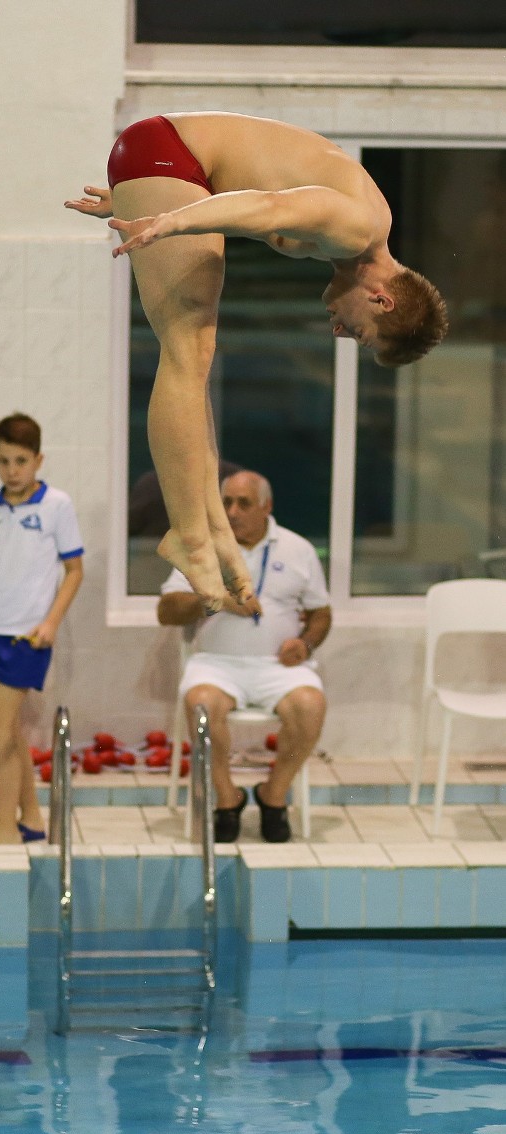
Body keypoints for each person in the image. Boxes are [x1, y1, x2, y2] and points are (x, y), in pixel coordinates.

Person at [66, 111, 448, 616]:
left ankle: (213, 529)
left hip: (173, 168)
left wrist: (152, 196)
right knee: (188, 349)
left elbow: (254, 178)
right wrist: (173, 218)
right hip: (173, 156)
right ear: (383, 301)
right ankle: (188, 536)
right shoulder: (358, 229)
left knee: (194, 360)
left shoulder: (354, 241)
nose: (338, 331)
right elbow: (269, 206)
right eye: (357, 333)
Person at [157, 470, 331, 843]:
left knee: (311, 705)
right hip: (217, 664)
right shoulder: (201, 547)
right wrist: (214, 598)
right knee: (202, 707)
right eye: (227, 503)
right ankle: (227, 800)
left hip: (278, 667)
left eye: (244, 503)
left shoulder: (297, 549)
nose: (233, 512)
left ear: (267, 506)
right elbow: (166, 611)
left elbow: (321, 615)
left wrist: (305, 644)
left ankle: (272, 795)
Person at [0, 413, 84, 845]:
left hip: (29, 634)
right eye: (3, 461)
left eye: (20, 461)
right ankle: (31, 818)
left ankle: (3, 828)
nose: (12, 471)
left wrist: (51, 621)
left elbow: (74, 571)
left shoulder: (57, 505)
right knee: (7, 730)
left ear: (38, 459)